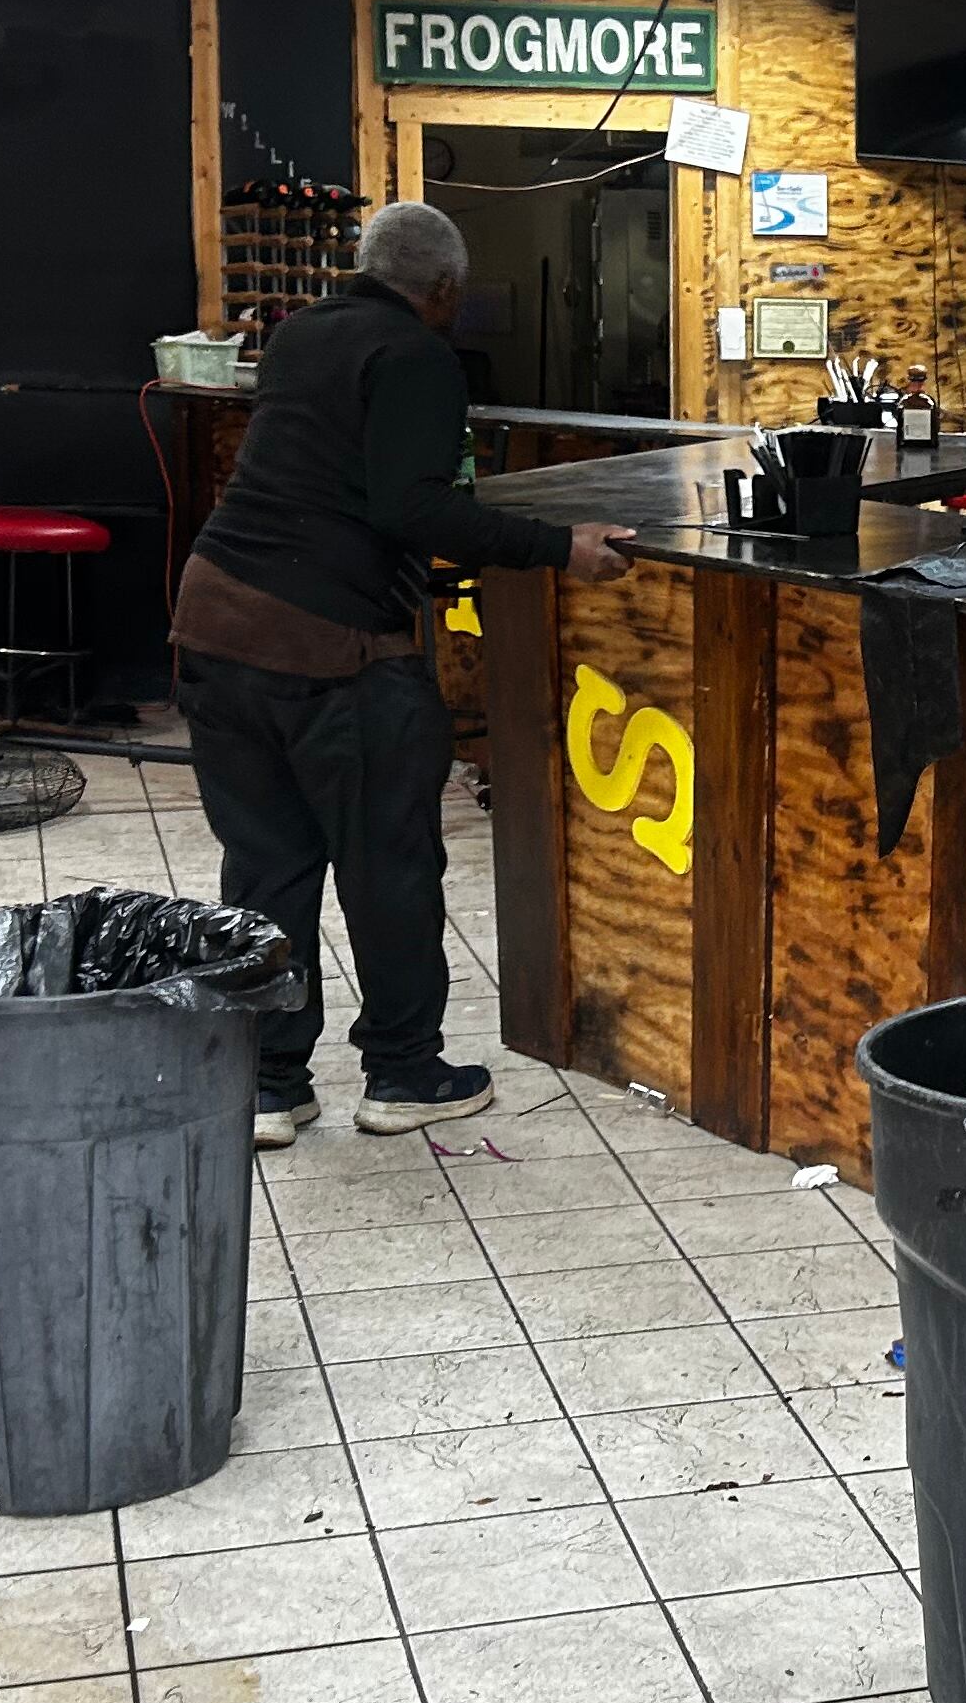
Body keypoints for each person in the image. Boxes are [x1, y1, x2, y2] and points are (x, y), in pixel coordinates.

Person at [173, 199, 632, 1145]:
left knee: (266, 863)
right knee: (389, 861)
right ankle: (405, 1072)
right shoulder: (418, 355)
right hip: (330, 646)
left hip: (215, 621)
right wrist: (561, 547)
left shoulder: (301, 335)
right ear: (445, 288)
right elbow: (412, 507)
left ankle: (268, 1084)